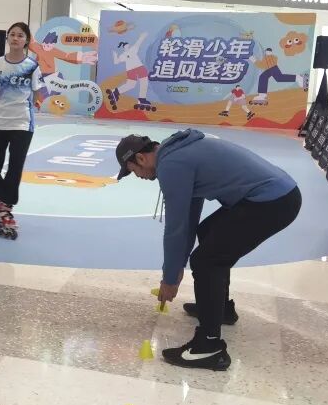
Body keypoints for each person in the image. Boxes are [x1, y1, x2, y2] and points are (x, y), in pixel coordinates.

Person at [116, 130, 301, 370]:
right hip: (279, 194)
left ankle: (208, 346)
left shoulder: (172, 166)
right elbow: (189, 220)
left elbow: (176, 228)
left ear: (140, 159)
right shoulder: (178, 153)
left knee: (206, 261)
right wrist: (177, 267)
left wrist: (169, 279)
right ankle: (220, 309)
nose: (138, 176)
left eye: (132, 171)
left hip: (273, 202)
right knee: (208, 233)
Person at [0, 22, 41, 240]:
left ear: (26, 40)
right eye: (12, 34)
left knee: (15, 165)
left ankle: (5, 204)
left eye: (20, 35)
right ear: (8, 38)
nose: (15, 38)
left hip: (22, 123)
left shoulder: (32, 66)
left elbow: (36, 93)